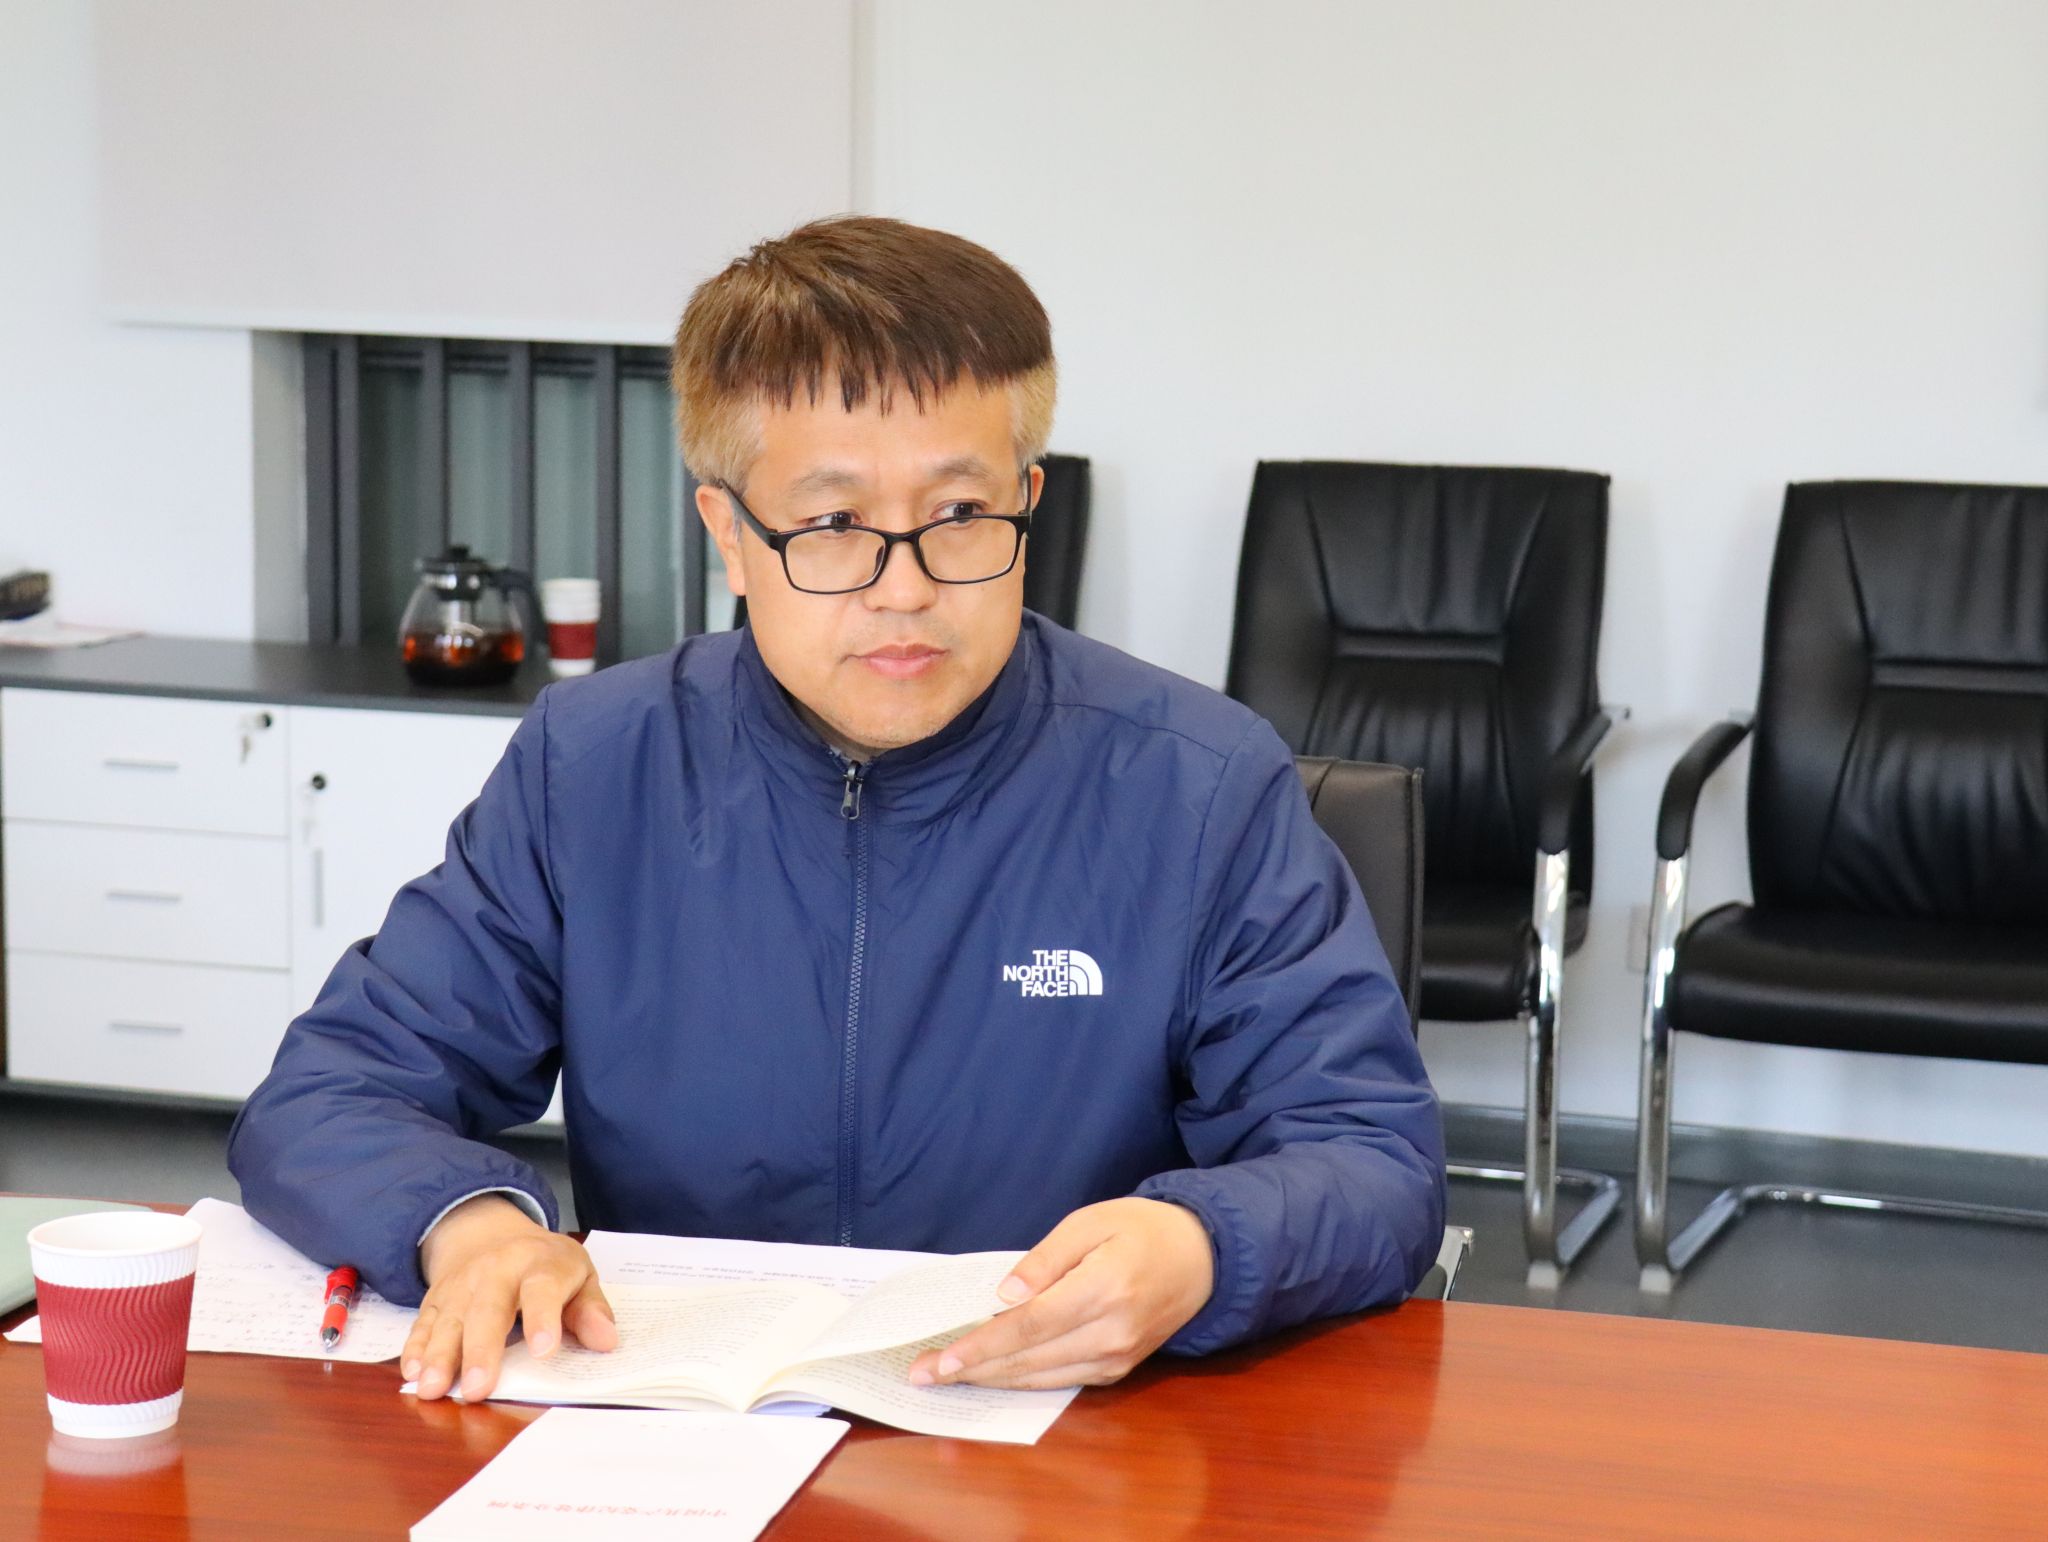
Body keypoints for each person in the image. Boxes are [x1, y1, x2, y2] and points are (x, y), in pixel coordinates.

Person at [228, 215, 1445, 1404]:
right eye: (829, 525)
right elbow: (332, 1091)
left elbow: (1371, 1159)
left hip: (1065, 1434)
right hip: (684, 1433)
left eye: (959, 516)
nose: (903, 590)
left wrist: (1201, 1246)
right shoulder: (592, 767)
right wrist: (468, 1225)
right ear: (729, 533)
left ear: (1027, 504)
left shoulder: (1198, 786)